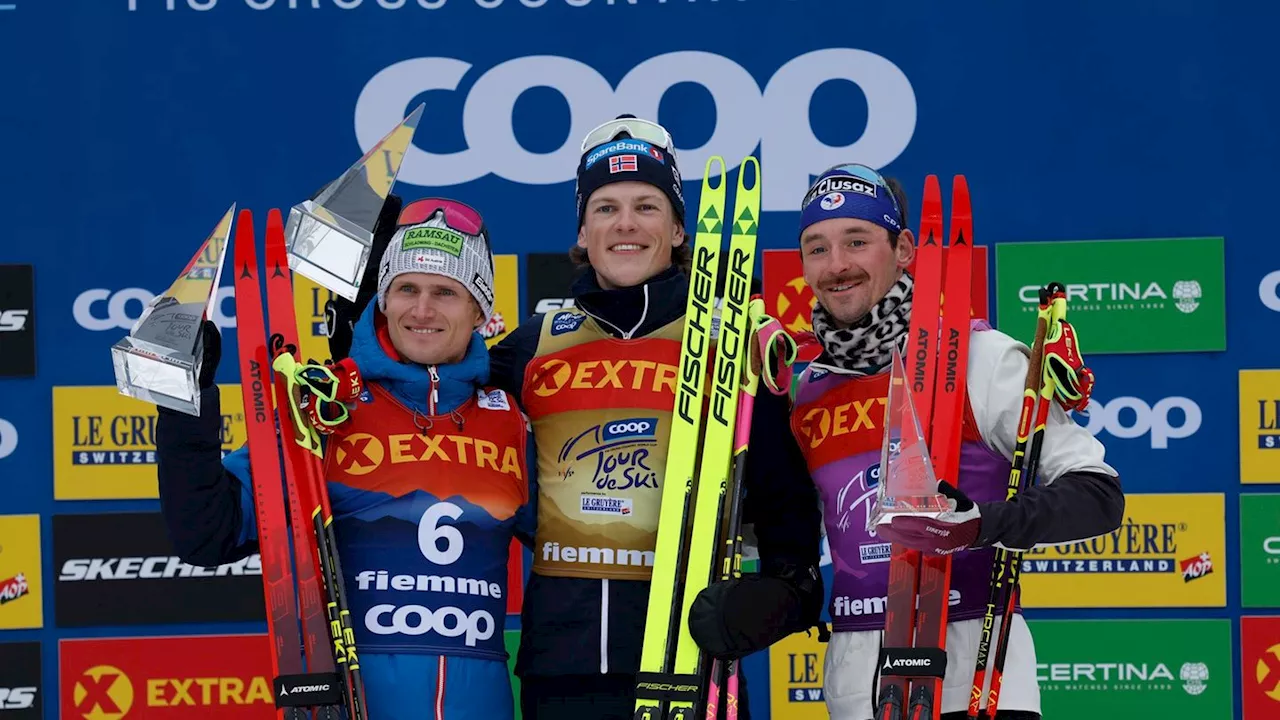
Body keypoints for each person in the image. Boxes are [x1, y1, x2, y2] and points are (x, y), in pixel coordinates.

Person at [700, 163, 1123, 720]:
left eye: (857, 241)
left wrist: (979, 524)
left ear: (902, 248)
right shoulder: (803, 388)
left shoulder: (979, 357)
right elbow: (788, 527)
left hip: (976, 679)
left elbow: (1098, 494)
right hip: (855, 687)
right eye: (817, 248)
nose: (837, 266)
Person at [488, 115, 826, 719]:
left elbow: (785, 496)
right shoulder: (532, 345)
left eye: (646, 206)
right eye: (605, 208)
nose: (625, 224)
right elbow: (435, 413)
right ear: (583, 230)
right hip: (562, 670)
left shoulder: (731, 339)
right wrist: (360, 328)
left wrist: (787, 590)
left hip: (693, 657)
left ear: (675, 228)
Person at [155, 197, 536, 719]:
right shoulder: (325, 407)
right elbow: (209, 531)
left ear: (479, 309)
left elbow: (576, 541)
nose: (422, 310)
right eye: (406, 288)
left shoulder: (510, 421)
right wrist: (186, 402)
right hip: (354, 704)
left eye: (445, 292)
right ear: (382, 299)